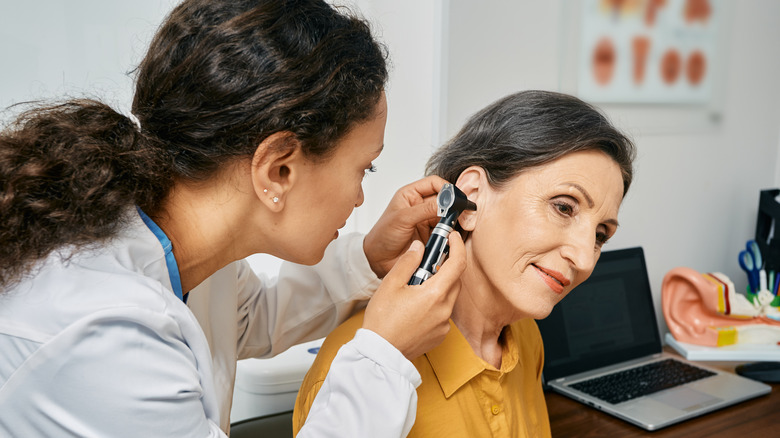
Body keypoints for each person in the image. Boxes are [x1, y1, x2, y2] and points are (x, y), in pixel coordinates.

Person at [0, 1, 466, 436]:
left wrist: (367, 258)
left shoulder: (183, 248)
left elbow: (245, 321)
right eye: (365, 167)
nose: (362, 197)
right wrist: (384, 356)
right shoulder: (104, 335)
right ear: (278, 168)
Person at [293, 90, 637, 437]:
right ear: (472, 197)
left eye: (600, 235)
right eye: (564, 207)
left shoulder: (526, 339)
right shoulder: (357, 369)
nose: (582, 258)